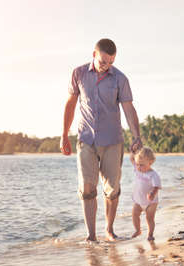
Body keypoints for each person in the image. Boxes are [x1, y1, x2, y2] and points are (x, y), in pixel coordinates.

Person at [60, 38, 143, 242]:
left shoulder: (120, 79)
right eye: (103, 61)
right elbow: (70, 105)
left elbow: (129, 109)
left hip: (113, 141)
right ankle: (91, 236)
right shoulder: (78, 74)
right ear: (94, 55)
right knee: (87, 187)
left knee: (112, 188)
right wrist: (64, 135)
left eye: (111, 62)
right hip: (86, 140)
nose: (107, 65)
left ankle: (109, 230)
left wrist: (137, 137)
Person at [130, 147, 161, 241]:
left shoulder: (153, 175)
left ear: (150, 163)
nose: (139, 167)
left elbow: (157, 186)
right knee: (134, 214)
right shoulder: (138, 169)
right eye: (137, 164)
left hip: (151, 202)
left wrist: (152, 193)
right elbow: (132, 158)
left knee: (149, 218)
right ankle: (138, 230)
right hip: (138, 201)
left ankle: (150, 234)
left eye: (142, 165)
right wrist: (133, 150)